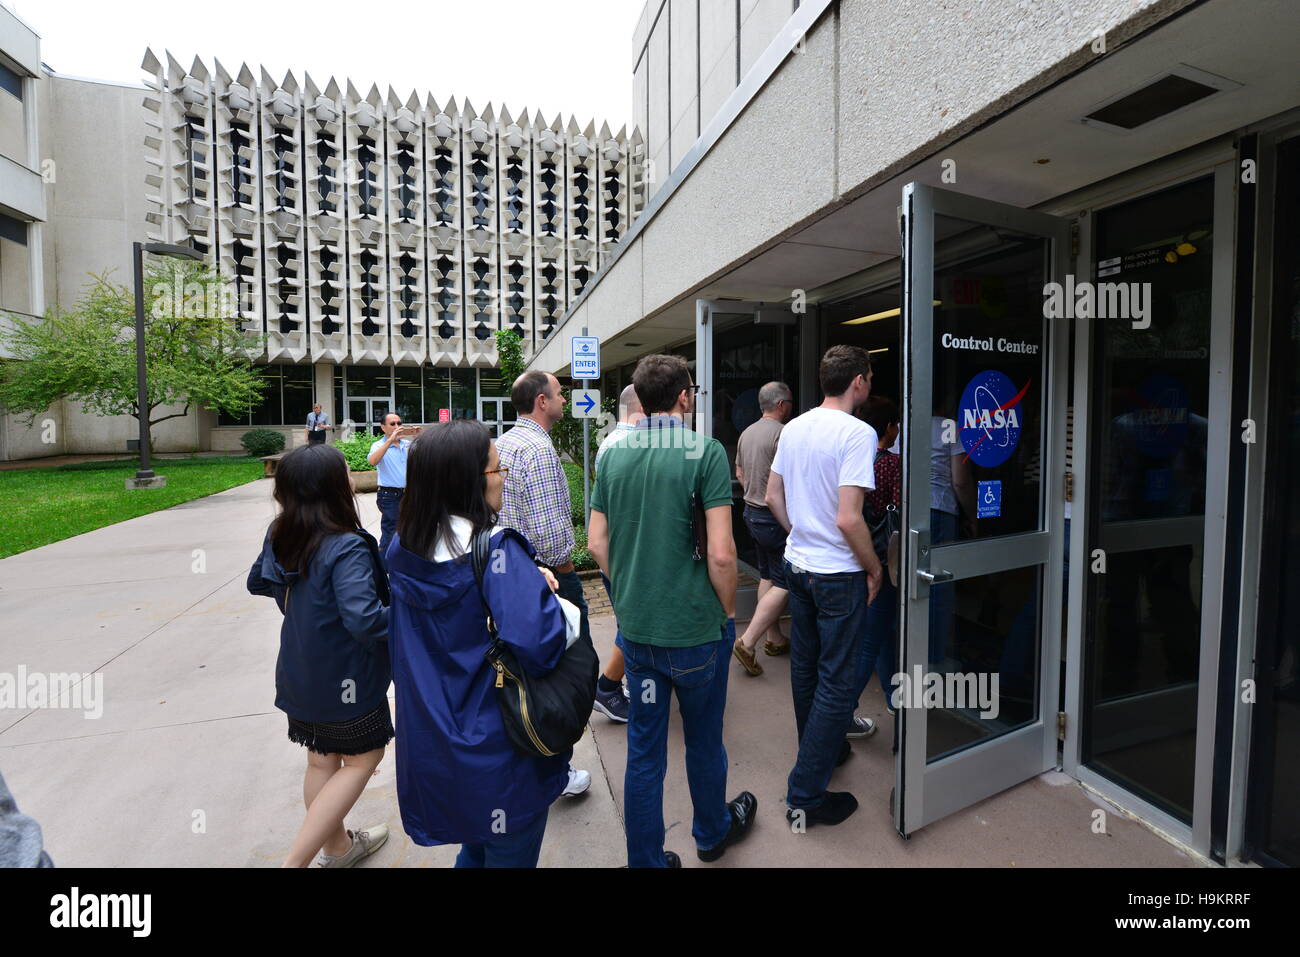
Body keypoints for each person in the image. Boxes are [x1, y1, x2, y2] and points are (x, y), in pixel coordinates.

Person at [588, 354, 757, 867]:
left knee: (645, 751)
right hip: (696, 631)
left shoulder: (612, 456)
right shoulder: (704, 452)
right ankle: (710, 835)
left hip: (638, 635)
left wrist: (634, 588)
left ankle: (646, 860)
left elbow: (596, 542)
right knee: (704, 742)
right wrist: (726, 613)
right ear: (684, 397)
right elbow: (724, 554)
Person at [386, 420, 571, 867]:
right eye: (496, 469)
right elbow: (543, 644)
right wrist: (541, 594)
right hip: (499, 750)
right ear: (470, 481)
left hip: (435, 745)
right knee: (507, 848)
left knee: (476, 843)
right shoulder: (497, 552)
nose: (503, 476)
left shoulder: (400, 550)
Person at [246, 443, 392, 868]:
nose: (350, 476)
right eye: (345, 471)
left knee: (321, 761)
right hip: (345, 677)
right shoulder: (345, 546)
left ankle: (339, 848)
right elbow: (365, 621)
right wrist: (412, 613)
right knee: (363, 759)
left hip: (299, 670)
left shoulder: (281, 533)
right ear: (331, 487)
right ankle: (296, 863)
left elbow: (260, 581)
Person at [766, 345, 883, 828]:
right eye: (869, 377)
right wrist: (874, 568)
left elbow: (773, 494)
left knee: (806, 669)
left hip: (799, 565)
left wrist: (799, 534)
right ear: (858, 381)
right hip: (837, 573)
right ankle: (806, 795)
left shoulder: (793, 427)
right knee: (837, 681)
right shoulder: (859, 433)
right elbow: (849, 517)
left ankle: (825, 753)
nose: (870, 384)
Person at [494, 371, 596, 789]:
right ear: (541, 401)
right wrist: (568, 572)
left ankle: (532, 761)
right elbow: (552, 535)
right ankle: (557, 772)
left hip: (511, 577)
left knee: (526, 677)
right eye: (559, 393)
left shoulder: (502, 443)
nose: (564, 399)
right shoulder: (539, 449)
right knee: (565, 678)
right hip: (550, 578)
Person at [588, 384, 646, 722]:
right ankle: (608, 688)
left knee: (632, 623)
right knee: (633, 625)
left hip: (617, 551)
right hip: (626, 556)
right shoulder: (628, 445)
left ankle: (612, 688)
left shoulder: (611, 442)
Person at [731, 380, 794, 677]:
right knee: (784, 583)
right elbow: (790, 479)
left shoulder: (746, 433)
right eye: (790, 403)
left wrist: (753, 490)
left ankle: (774, 638)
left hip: (751, 514)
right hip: (774, 516)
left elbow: (740, 472)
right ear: (781, 405)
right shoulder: (783, 434)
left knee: (767, 575)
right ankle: (748, 641)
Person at [859, 396, 902, 719]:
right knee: (872, 636)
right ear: (888, 427)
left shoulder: (855, 456)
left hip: (858, 550)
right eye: (896, 424)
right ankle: (842, 710)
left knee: (882, 628)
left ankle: (892, 692)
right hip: (884, 557)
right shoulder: (891, 464)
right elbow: (901, 512)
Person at [368, 412, 420, 564]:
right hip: (389, 495)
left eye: (399, 423)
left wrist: (418, 437)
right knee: (391, 531)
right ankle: (385, 569)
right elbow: (372, 461)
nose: (397, 427)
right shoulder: (378, 445)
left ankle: (405, 564)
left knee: (410, 530)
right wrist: (390, 441)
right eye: (392, 424)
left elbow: (426, 457)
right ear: (383, 427)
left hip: (409, 494)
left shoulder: (407, 445)